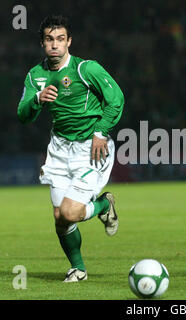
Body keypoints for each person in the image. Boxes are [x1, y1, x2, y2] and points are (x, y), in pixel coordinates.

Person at [17, 14, 124, 282]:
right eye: (50, 39)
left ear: (69, 42)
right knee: (60, 218)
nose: (55, 44)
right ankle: (78, 268)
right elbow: (23, 115)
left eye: (60, 39)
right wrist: (38, 100)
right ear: (42, 43)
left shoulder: (85, 69)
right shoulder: (36, 76)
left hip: (91, 148)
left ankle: (102, 205)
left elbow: (116, 99)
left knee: (69, 212)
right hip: (59, 149)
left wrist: (101, 132)